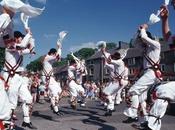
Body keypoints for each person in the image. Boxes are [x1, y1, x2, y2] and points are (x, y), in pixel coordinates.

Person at [123, 23, 161, 123]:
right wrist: (138, 32)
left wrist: (143, 29)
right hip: (148, 74)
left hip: (151, 73)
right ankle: (145, 120)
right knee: (141, 98)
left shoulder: (156, 45)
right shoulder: (145, 49)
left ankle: (133, 114)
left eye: (142, 40)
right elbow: (134, 43)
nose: (140, 41)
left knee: (132, 91)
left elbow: (144, 37)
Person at [101, 47, 128, 116]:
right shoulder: (118, 62)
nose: (113, 58)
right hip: (119, 81)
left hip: (118, 82)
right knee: (111, 95)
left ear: (116, 58)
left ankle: (110, 106)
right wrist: (104, 52)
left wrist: (104, 54)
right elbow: (109, 61)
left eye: (114, 57)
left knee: (105, 93)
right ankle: (110, 109)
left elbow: (109, 61)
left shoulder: (119, 62)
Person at [41, 45, 63, 116]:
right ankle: (55, 109)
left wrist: (59, 48)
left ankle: (52, 104)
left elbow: (58, 59)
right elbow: (58, 57)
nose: (55, 55)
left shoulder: (50, 59)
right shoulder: (47, 58)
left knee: (60, 91)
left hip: (51, 78)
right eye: (55, 53)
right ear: (52, 53)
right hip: (46, 78)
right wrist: (59, 48)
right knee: (54, 93)